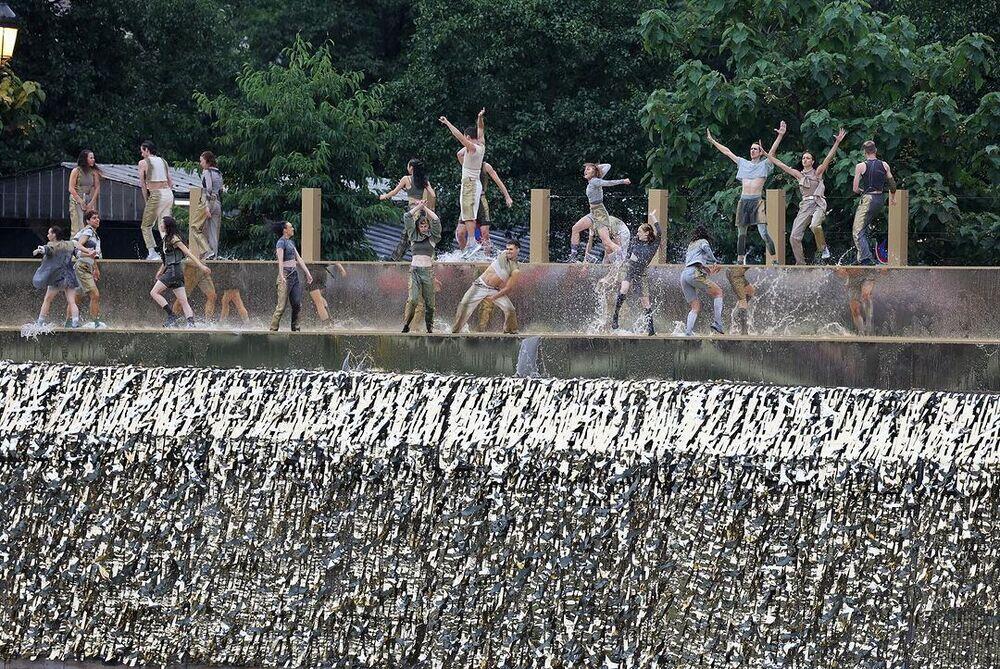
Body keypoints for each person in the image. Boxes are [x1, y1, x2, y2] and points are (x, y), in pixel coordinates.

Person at [706, 123, 786, 264]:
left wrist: (780, 135)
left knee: (763, 232)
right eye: (751, 149)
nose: (752, 151)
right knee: (741, 233)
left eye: (755, 149)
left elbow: (772, 152)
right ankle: (740, 259)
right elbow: (727, 152)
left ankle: (774, 259)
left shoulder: (765, 164)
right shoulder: (743, 163)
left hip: (756, 201)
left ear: (761, 152)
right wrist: (713, 141)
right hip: (744, 201)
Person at [767, 128, 847, 264]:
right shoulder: (799, 174)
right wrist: (766, 154)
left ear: (812, 161)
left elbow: (828, 158)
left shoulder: (818, 172)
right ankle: (801, 264)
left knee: (815, 226)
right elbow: (781, 164)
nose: (805, 160)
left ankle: (823, 249)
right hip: (805, 206)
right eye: (803, 158)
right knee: (794, 236)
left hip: (818, 204)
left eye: (808, 158)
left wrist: (837, 142)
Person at [439, 109, 486, 256]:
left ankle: (472, 243)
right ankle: (470, 245)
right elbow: (481, 129)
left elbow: (459, 137)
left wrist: (447, 123)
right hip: (471, 182)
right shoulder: (481, 144)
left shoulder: (472, 148)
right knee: (466, 214)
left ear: (468, 137)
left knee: (468, 215)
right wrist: (479, 117)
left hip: (470, 184)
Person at [149, 216, 211, 328]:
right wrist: (160, 271)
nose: (161, 225)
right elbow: (167, 259)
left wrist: (201, 266)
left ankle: (171, 315)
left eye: (162, 223)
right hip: (176, 272)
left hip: (172, 272)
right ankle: (191, 324)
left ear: (167, 226)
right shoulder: (167, 239)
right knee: (183, 301)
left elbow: (188, 253)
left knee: (154, 292)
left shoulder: (174, 239)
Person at [452, 239, 521, 334]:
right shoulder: (503, 255)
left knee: (510, 309)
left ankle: (511, 332)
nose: (508, 251)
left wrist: (494, 297)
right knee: (464, 305)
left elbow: (508, 288)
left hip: (494, 290)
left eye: (511, 249)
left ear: (517, 250)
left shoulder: (515, 270)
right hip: (479, 286)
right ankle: (455, 332)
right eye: (507, 249)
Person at [32, 226, 95, 328]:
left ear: (54, 235)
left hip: (57, 278)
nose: (48, 235)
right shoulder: (69, 244)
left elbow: (49, 249)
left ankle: (40, 322)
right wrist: (89, 253)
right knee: (71, 301)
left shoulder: (52, 245)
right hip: (69, 278)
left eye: (49, 233)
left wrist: (41, 249)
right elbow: (78, 254)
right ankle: (75, 322)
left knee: (47, 299)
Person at [611, 211, 662, 335]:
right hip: (629, 268)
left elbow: (659, 232)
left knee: (645, 300)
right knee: (624, 289)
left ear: (647, 233)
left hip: (641, 272)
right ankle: (615, 317)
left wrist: (653, 217)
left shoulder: (653, 244)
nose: (637, 233)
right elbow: (628, 255)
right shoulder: (636, 241)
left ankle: (651, 329)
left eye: (640, 231)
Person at [454, 150, 514, 256]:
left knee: (485, 233)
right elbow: (459, 154)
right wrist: (471, 144)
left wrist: (507, 196)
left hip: (480, 199)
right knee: (460, 233)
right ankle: (465, 255)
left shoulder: (485, 166)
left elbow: (498, 180)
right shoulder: (466, 164)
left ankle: (487, 257)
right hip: (468, 200)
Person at [568, 164, 631, 262]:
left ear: (594, 172)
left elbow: (609, 182)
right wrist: (595, 168)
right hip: (593, 213)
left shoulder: (595, 181)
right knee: (575, 228)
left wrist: (623, 181)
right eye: (585, 169)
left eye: (588, 169)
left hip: (600, 214)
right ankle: (573, 256)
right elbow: (608, 166)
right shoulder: (594, 180)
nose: (585, 171)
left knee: (607, 242)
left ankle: (622, 257)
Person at [851, 141, 897, 265]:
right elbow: (893, 185)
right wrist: (892, 197)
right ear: (875, 150)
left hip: (868, 199)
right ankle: (861, 257)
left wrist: (863, 191)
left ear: (864, 152)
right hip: (880, 199)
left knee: (857, 230)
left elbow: (855, 189)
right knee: (864, 228)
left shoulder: (861, 166)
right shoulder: (885, 165)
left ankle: (866, 259)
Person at [382, 158, 436, 262]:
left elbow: (394, 192)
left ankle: (395, 259)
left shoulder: (406, 179)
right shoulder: (424, 181)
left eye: (408, 166)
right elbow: (433, 195)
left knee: (407, 235)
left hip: (412, 211)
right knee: (416, 234)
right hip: (422, 211)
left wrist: (384, 196)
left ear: (411, 168)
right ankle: (430, 257)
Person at [402, 200, 442, 333]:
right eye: (421, 226)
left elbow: (436, 220)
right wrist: (418, 207)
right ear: (418, 227)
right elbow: (407, 216)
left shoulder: (432, 238)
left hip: (427, 273)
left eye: (426, 226)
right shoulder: (413, 236)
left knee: (430, 305)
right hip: (414, 271)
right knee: (413, 300)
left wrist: (425, 207)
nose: (424, 228)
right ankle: (407, 324)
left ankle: (429, 327)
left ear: (428, 227)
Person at [680, 226, 725, 336]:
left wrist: (704, 268)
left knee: (695, 306)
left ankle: (688, 332)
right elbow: (706, 248)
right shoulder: (703, 241)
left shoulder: (691, 245)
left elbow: (693, 261)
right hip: (693, 274)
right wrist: (715, 261)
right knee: (719, 293)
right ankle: (718, 323)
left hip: (684, 275)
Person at [270, 221, 313, 332]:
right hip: (285, 275)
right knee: (281, 307)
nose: (293, 229)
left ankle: (295, 328)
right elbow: (280, 259)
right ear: (285, 230)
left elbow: (298, 259)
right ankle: (273, 330)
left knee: (297, 304)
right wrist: (281, 274)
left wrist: (307, 273)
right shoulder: (281, 243)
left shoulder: (291, 242)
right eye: (291, 227)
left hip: (294, 275)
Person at [138, 140, 175, 261]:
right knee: (164, 225)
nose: (141, 153)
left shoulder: (143, 163)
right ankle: (169, 251)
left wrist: (146, 200)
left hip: (156, 194)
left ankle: (152, 252)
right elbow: (171, 182)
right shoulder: (163, 161)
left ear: (147, 150)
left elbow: (143, 185)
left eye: (142, 150)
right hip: (168, 193)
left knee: (146, 225)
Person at [68, 210, 105, 328]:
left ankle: (69, 323)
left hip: (85, 267)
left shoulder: (93, 233)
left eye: (98, 218)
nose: (97, 220)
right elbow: (78, 246)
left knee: (77, 297)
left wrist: (96, 268)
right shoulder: (88, 230)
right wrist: (88, 252)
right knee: (95, 294)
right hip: (82, 267)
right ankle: (95, 322)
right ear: (88, 221)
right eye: (94, 218)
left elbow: (91, 255)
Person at [197, 151, 224, 259]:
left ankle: (206, 250)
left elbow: (208, 188)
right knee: (213, 231)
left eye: (201, 161)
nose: (201, 163)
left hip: (209, 201)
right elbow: (221, 189)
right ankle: (214, 254)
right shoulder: (218, 173)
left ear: (207, 161)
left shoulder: (207, 171)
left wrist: (207, 206)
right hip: (217, 202)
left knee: (196, 227)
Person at [68, 150, 102, 235]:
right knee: (78, 224)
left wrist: (92, 202)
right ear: (85, 159)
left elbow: (97, 187)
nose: (93, 160)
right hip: (77, 198)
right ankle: (76, 244)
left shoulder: (94, 172)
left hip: (89, 198)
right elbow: (71, 188)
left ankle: (90, 243)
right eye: (91, 158)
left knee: (91, 222)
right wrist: (80, 201)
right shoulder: (76, 171)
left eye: (93, 158)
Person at [307, 261, 347, 327]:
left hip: (312, 272)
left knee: (318, 302)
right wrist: (341, 268)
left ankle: (327, 325)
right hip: (322, 273)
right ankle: (330, 320)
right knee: (320, 298)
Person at [726, 265, 755, 335]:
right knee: (743, 301)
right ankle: (744, 331)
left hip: (738, 274)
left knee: (750, 290)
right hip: (735, 274)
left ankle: (737, 313)